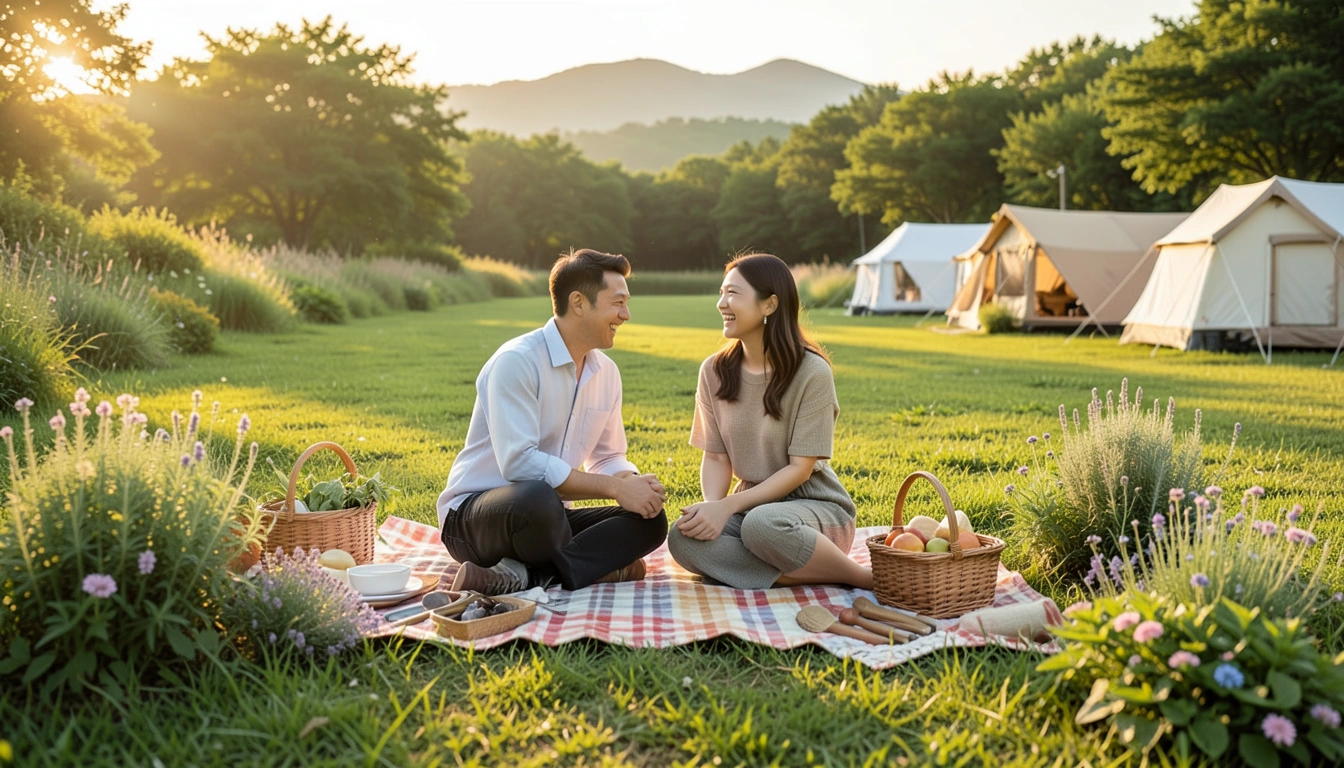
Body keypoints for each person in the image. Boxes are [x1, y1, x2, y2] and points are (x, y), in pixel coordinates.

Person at [437, 248, 668, 595]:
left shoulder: (607, 373)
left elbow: (607, 457)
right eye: (618, 303)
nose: (626, 315)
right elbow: (520, 464)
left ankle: (527, 577)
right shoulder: (517, 361)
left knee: (650, 520)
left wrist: (631, 483)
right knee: (537, 498)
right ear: (578, 303)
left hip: (548, 521)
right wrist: (614, 489)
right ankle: (597, 568)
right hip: (477, 519)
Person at [667, 253, 872, 590]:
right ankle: (797, 573)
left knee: (762, 526)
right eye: (721, 292)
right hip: (750, 508)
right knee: (682, 537)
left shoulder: (812, 372)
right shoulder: (713, 372)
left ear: (769, 305)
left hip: (816, 509)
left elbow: (800, 469)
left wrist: (728, 507)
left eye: (733, 293)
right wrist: (713, 511)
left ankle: (858, 577)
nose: (721, 303)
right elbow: (716, 457)